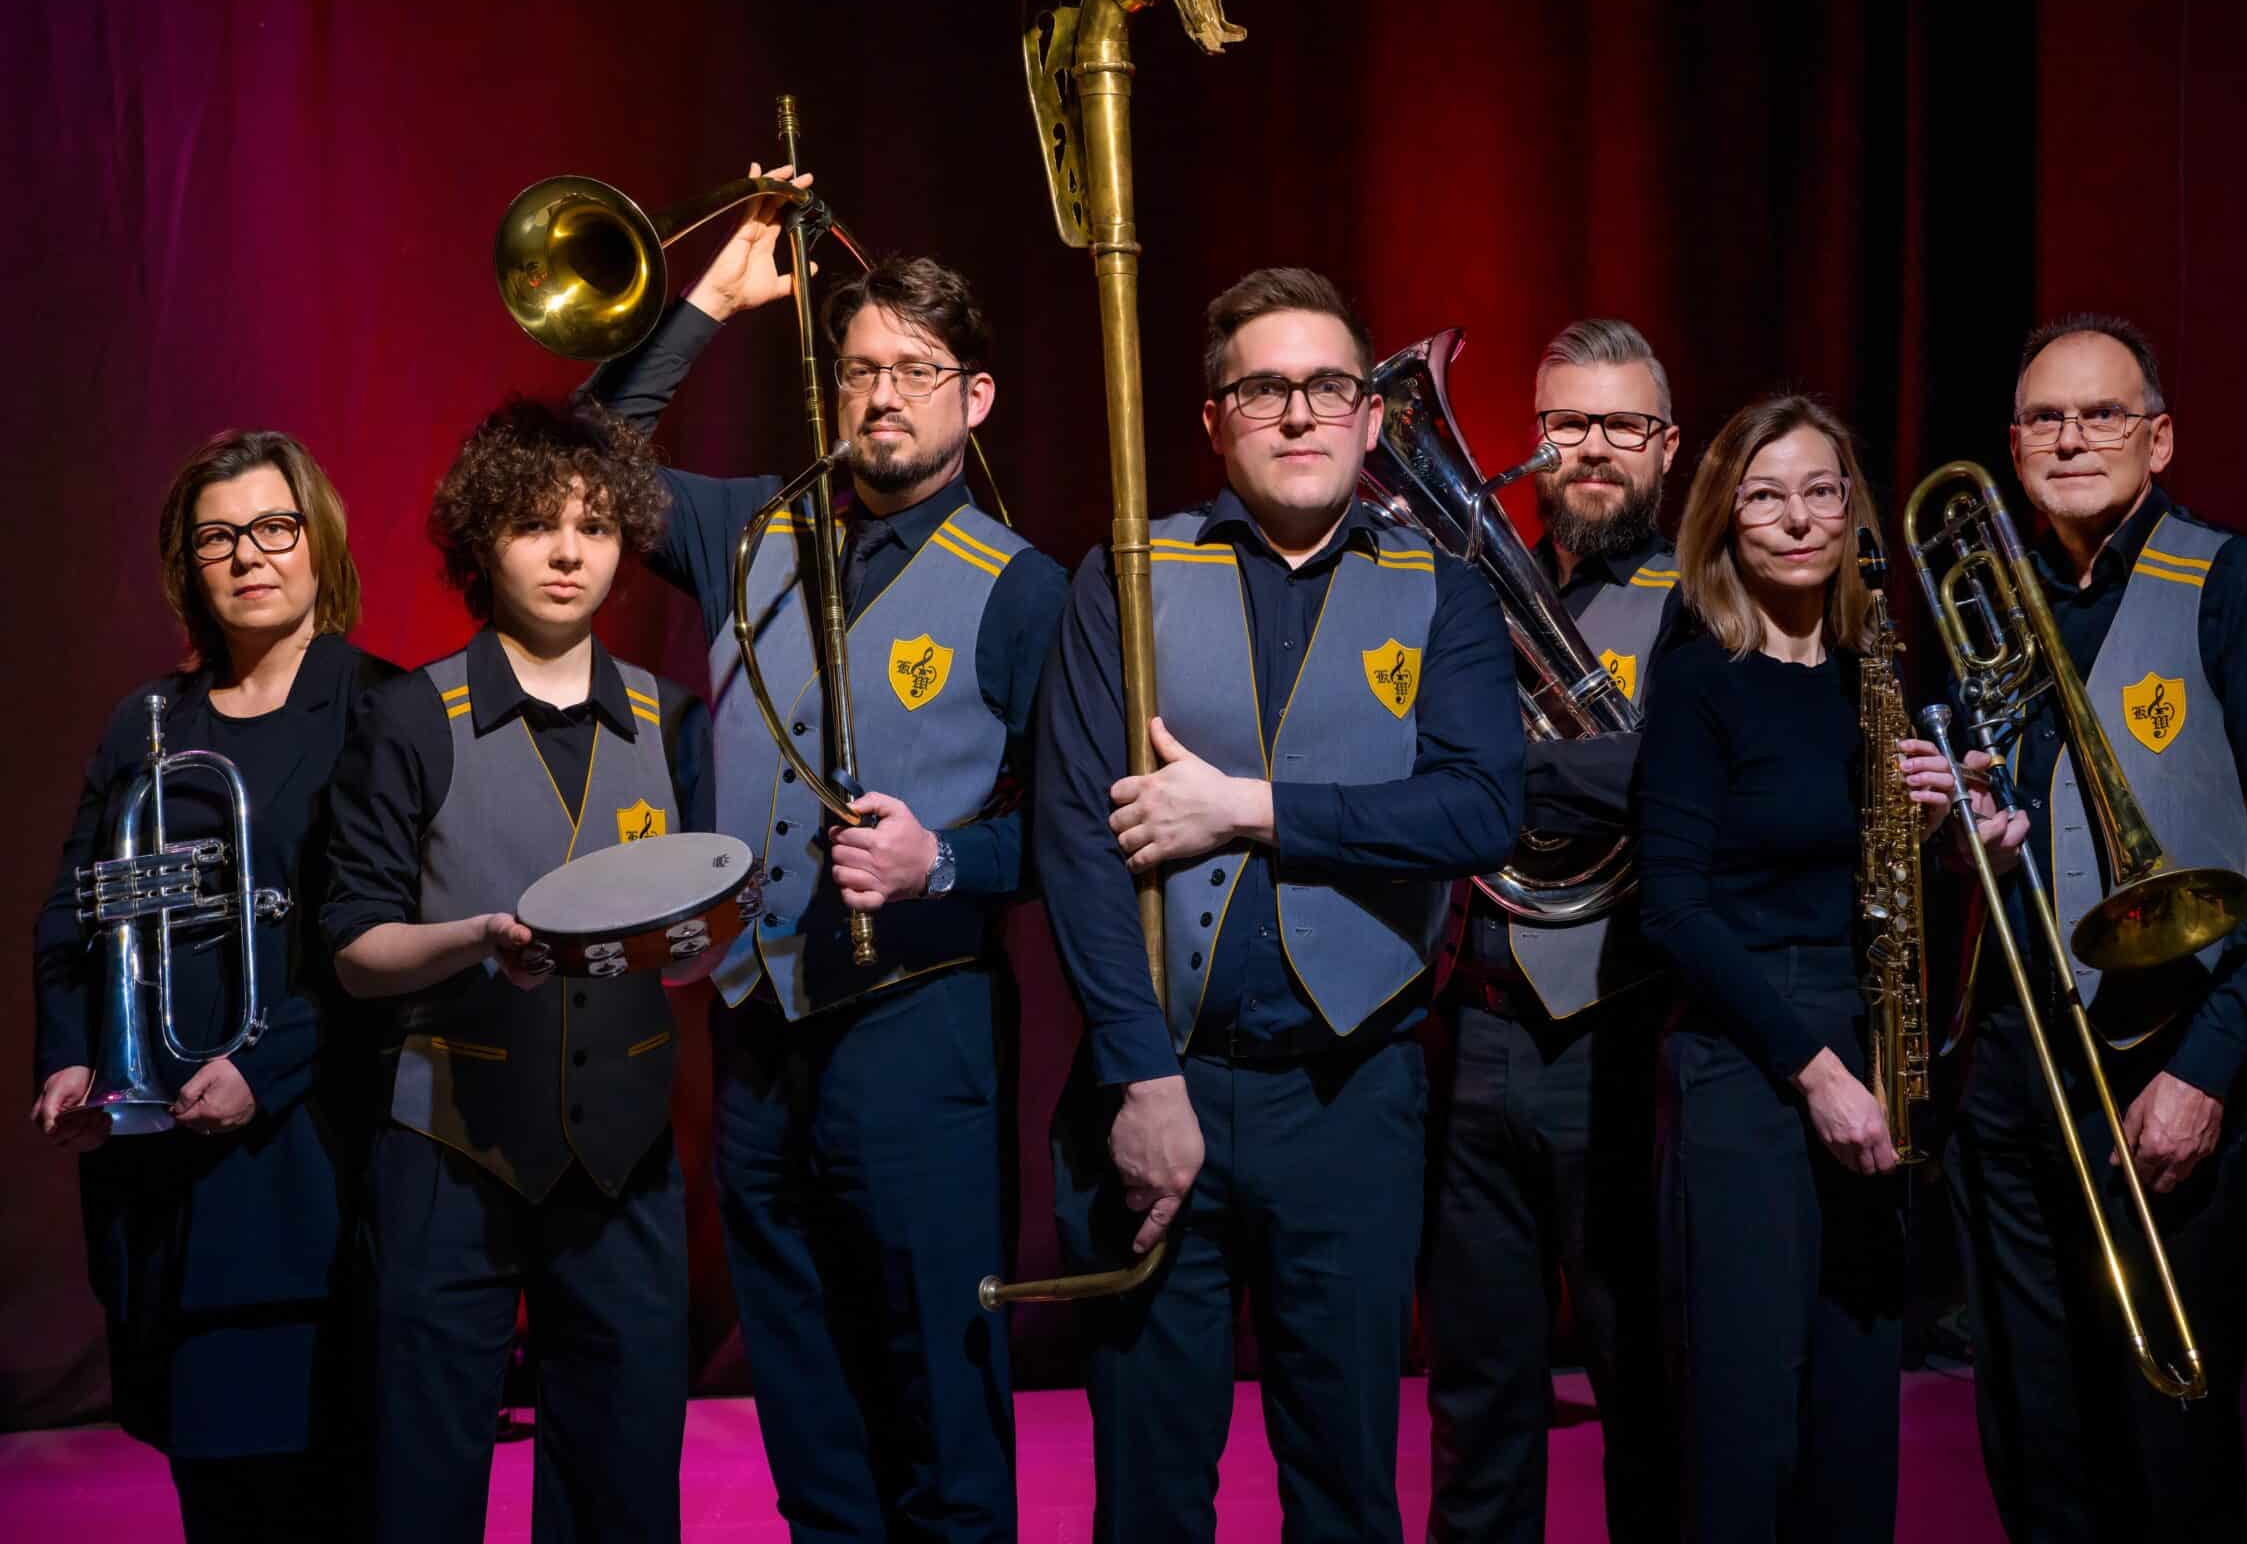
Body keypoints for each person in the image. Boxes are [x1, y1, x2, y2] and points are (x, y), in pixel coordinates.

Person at [584, 191, 1062, 1543]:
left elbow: (1077, 833)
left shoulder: (1024, 586)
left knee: (939, 1408)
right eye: (859, 368)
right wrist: (709, 301)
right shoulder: (752, 528)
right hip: (758, 1038)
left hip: (919, 1033)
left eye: (915, 369)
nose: (883, 394)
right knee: (806, 1402)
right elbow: (585, 459)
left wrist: (942, 862)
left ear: (975, 398)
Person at [1036, 266, 1525, 1544]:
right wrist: (1142, 1080)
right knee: (1148, 1502)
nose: (1299, 413)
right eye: (1263, 389)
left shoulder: (1446, 587)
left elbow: (1480, 811)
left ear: (1369, 415)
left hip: (1351, 1097)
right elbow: (1075, 846)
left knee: (1347, 1490)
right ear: (1214, 421)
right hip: (1156, 1090)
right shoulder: (1125, 574)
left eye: (1326, 387)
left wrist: (1249, 809)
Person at [1941, 314, 2247, 1543]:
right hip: (2012, 1072)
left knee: (2164, 1439)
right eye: (2044, 419)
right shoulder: (1993, 603)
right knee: (2033, 1432)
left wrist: (2205, 1071)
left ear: (2158, 439)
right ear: (2013, 446)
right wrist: (1968, 820)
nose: (2071, 439)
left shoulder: (2245, 592)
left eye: (2101, 414)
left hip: (2159, 1064)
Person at [322, 397, 711, 1544]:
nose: (567, 553)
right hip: (449, 1143)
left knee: (621, 1487)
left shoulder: (674, 722)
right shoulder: (410, 716)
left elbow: (703, 953)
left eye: (594, 527)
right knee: (423, 1479)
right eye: (535, 524)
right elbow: (353, 951)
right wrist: (476, 939)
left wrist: (700, 948)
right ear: (480, 540)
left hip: (622, 1148)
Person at [1635, 393, 2019, 1543]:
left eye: (1819, 491)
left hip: (1870, 1039)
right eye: (1765, 497)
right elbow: (1673, 910)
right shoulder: (1700, 680)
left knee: (1855, 1412)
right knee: (1746, 1421)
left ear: (1850, 507)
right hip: (1748, 1055)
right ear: (1723, 519)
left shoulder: (1874, 670)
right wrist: (1815, 1072)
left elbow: (1881, 891)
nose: (1798, 519)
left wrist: (1946, 830)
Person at [31, 428, 393, 1542]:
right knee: (219, 1501)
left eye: (274, 528)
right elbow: (74, 915)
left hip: (309, 1160)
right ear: (187, 566)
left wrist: (263, 1065)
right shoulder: (146, 724)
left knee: (326, 1493)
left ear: (319, 541)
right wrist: (72, 1056)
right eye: (216, 538)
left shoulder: (383, 707)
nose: (248, 556)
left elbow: (387, 945)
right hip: (163, 1173)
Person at [1420, 316, 1686, 1541]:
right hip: (1475, 1036)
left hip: (1629, 1040)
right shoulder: (1463, 596)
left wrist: (1496, 780)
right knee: (1476, 1405)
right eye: (1566, 423)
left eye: (1622, 425)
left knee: (1652, 1393)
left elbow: (1682, 781)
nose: (1591, 448)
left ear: (1667, 447)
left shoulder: (1710, 604)